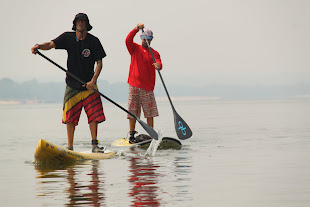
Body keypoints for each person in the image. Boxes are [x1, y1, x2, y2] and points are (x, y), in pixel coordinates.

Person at [31, 13, 106, 153]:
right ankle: (70, 147)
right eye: (78, 21)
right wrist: (39, 46)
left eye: (83, 21)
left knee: (94, 115)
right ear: (75, 23)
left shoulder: (94, 41)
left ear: (87, 24)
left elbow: (99, 63)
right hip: (72, 84)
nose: (80, 23)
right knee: (70, 117)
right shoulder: (67, 37)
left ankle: (94, 145)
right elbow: (50, 44)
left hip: (89, 85)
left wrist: (93, 81)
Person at [125, 23, 163, 143]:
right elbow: (128, 40)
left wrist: (158, 65)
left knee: (149, 111)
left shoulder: (154, 53)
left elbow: (158, 62)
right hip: (134, 85)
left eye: (149, 39)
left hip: (147, 87)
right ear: (141, 38)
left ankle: (151, 135)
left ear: (151, 40)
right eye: (145, 39)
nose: (146, 41)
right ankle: (131, 134)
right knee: (133, 111)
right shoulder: (134, 48)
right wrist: (136, 29)